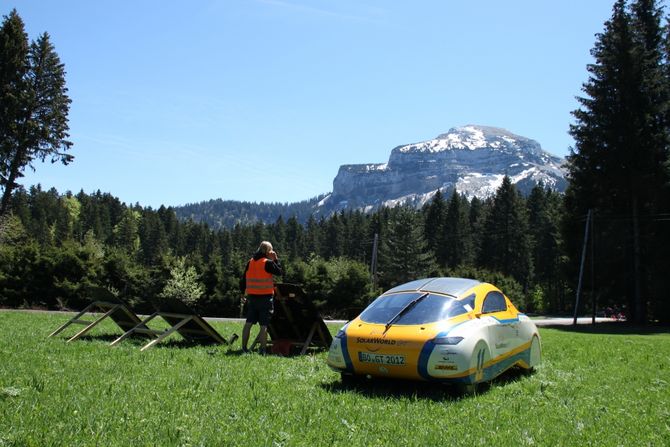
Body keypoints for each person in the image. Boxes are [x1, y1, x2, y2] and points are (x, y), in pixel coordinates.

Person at [239, 241, 282, 353]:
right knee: (264, 325)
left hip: (252, 297)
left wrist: (242, 293)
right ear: (268, 251)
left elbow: (243, 279)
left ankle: (244, 348)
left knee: (248, 323)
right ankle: (262, 350)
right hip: (265, 297)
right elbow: (279, 272)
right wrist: (275, 259)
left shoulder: (250, 262)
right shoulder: (267, 262)